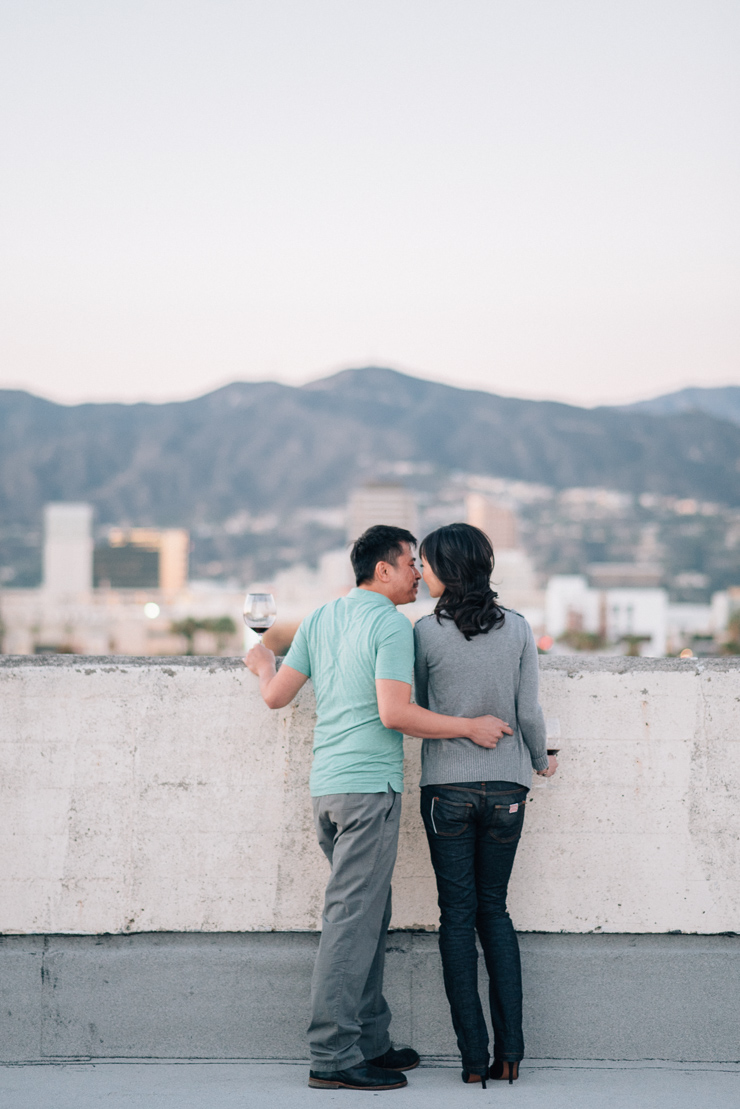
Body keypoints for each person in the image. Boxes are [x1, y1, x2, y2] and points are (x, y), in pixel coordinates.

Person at [244, 524, 512, 1091]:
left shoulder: (320, 618)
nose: (420, 573)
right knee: (351, 921)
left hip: (329, 790)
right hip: (368, 790)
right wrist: (469, 727)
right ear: (383, 570)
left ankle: (370, 1040)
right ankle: (333, 1057)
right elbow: (396, 713)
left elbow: (276, 695)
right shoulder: (391, 625)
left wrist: (262, 663)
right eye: (410, 563)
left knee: (369, 916)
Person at [414, 523, 557, 1088]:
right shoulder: (519, 628)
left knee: (457, 918)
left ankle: (473, 1061)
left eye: (425, 564)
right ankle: (511, 1056)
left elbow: (420, 707)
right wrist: (541, 761)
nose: (420, 572)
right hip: (507, 791)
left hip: (446, 789)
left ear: (446, 569)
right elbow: (528, 713)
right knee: (494, 913)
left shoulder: (423, 633)